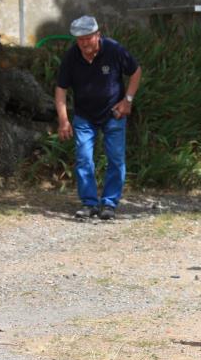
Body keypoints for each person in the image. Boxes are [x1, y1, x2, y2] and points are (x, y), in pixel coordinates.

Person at [55, 15, 142, 220]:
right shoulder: (71, 56)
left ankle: (110, 204)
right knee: (84, 158)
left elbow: (136, 71)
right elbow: (61, 88)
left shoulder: (114, 49)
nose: (84, 43)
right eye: (80, 39)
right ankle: (90, 204)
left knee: (116, 159)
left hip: (114, 113)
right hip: (84, 116)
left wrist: (127, 100)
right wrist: (63, 120)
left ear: (97, 35)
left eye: (88, 38)